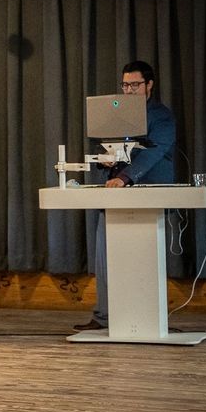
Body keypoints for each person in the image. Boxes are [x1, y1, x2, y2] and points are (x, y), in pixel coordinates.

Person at [77, 60, 176, 331]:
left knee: (142, 260)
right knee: (105, 256)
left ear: (149, 85)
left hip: (147, 193)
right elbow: (104, 146)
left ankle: (146, 318)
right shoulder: (116, 114)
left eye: (135, 85)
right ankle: (104, 316)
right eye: (125, 85)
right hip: (114, 194)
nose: (129, 90)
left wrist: (125, 177)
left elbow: (155, 151)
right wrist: (104, 159)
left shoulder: (161, 116)